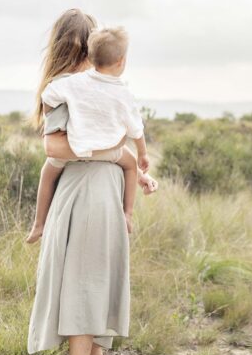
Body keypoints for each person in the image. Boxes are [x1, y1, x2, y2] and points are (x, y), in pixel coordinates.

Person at [27, 9, 145, 355]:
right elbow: (53, 148)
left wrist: (131, 165)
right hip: (86, 192)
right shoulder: (64, 89)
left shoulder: (93, 87)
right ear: (76, 46)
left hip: (103, 188)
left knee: (99, 278)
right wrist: (114, 152)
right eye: (87, 43)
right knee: (86, 283)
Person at [26, 26, 157, 242]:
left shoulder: (73, 83)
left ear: (91, 57)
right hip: (111, 152)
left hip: (75, 147)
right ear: (121, 61)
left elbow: (48, 95)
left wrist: (50, 112)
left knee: (47, 172)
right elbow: (136, 129)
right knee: (131, 165)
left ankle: (39, 224)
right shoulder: (124, 94)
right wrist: (142, 154)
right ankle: (127, 214)